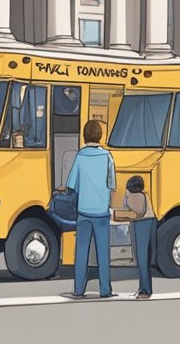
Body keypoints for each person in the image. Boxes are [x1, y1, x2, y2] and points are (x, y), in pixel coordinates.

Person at [67, 119, 116, 299]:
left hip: (84, 212)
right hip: (101, 212)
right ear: (100, 136)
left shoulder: (80, 157)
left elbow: (71, 184)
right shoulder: (107, 157)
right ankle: (105, 290)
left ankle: (79, 290)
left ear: (84, 135)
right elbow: (112, 184)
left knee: (81, 252)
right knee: (103, 253)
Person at [115, 176, 156, 300]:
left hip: (142, 224)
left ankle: (145, 290)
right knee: (145, 258)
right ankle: (143, 287)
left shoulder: (135, 197)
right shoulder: (144, 195)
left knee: (142, 258)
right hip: (149, 222)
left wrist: (126, 197)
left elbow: (136, 211)